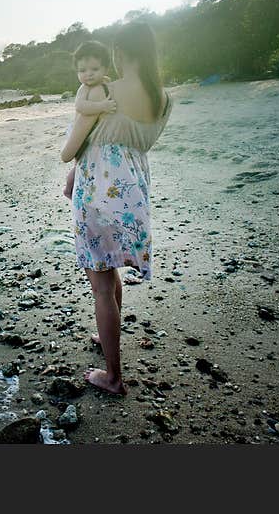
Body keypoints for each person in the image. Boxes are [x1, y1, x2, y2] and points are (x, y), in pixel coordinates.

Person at [60, 21, 174, 395]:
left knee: (101, 285)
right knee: (113, 271)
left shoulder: (103, 90)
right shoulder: (165, 99)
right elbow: (128, 145)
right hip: (133, 193)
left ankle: (113, 377)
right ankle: (109, 334)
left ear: (120, 53)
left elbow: (69, 150)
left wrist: (73, 168)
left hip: (96, 192)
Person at [62, 41, 117, 200]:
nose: (88, 74)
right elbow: (81, 106)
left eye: (95, 69)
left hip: (92, 132)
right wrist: (102, 106)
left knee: (83, 165)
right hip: (78, 131)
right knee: (77, 164)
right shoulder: (84, 88)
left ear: (105, 69)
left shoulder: (104, 83)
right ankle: (68, 188)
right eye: (82, 71)